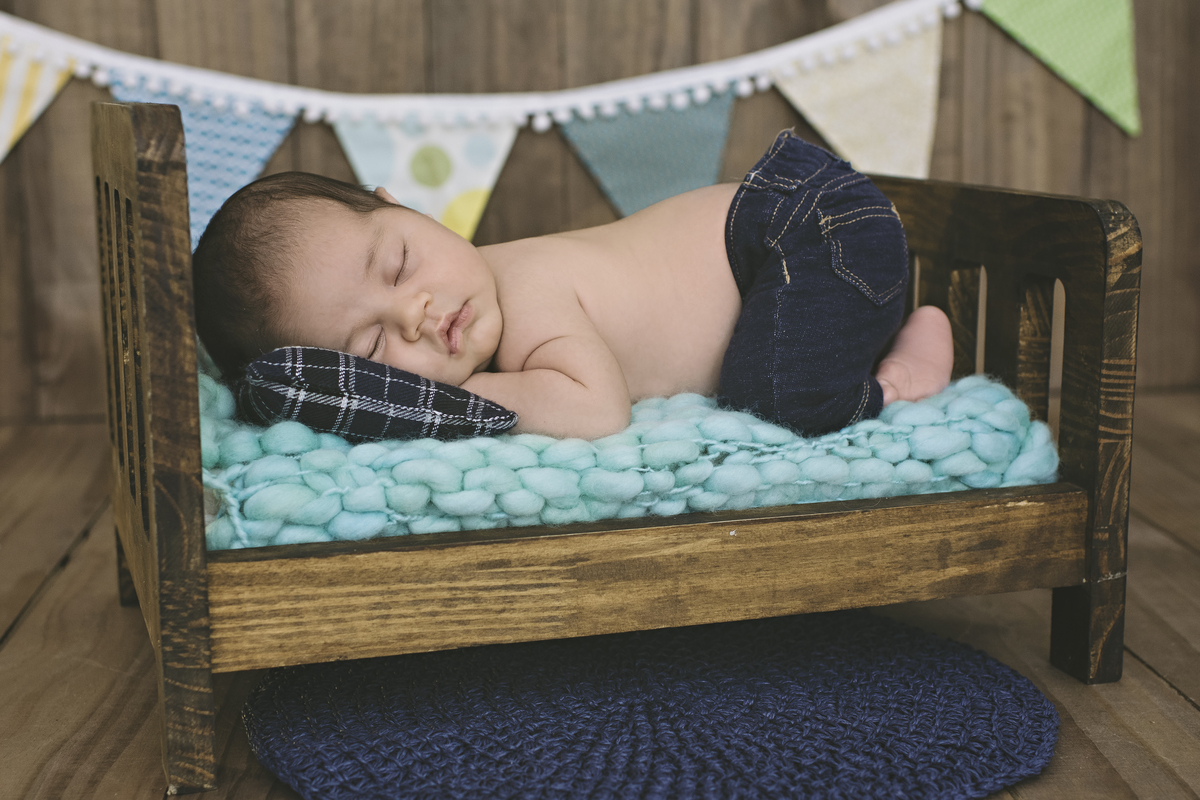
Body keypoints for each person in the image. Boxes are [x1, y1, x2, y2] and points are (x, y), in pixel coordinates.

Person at [193, 129, 953, 441]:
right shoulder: (474, 317)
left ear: (407, 207)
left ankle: (901, 378)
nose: (416, 313)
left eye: (398, 266)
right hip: (788, 241)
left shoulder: (525, 287)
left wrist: (427, 402)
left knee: (779, 403)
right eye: (372, 346)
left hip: (805, 227)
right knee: (779, 360)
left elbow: (596, 411)